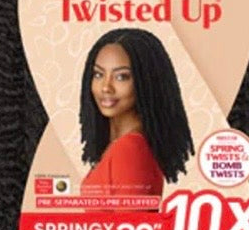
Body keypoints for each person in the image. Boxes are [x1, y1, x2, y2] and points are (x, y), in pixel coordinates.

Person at [79, 28, 194, 200]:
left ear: (147, 82)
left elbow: (133, 219)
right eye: (98, 74)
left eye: (121, 77)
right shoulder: (121, 145)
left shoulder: (130, 150)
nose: (106, 87)